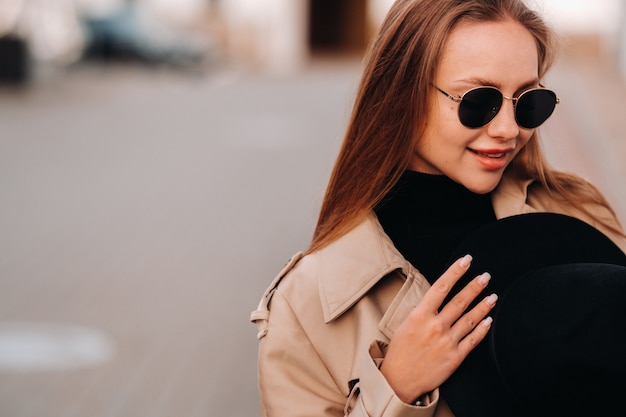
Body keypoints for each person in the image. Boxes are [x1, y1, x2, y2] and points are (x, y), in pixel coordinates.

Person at [250, 0, 626, 416]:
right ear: (400, 94)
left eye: (527, 101)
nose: (508, 129)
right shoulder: (307, 306)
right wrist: (396, 389)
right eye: (478, 101)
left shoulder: (577, 212)